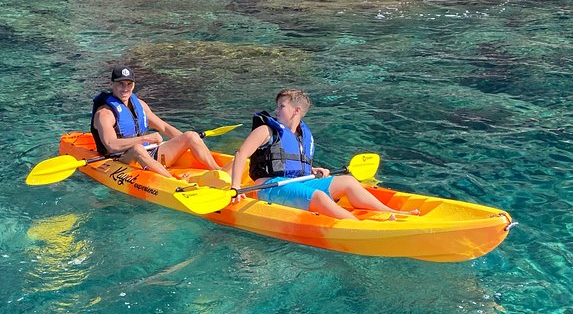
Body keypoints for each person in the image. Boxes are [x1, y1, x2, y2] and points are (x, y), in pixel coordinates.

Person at [229, 88, 418, 220]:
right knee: (319, 196)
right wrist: (235, 187)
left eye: (281, 106)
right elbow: (241, 154)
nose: (276, 110)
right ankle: (356, 224)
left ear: (296, 110)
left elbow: (289, 163)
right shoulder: (265, 130)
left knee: (349, 182)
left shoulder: (302, 135)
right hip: (268, 187)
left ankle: (393, 213)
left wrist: (312, 170)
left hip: (297, 181)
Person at [91, 65, 223, 179]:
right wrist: (145, 139)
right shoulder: (104, 114)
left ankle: (220, 171)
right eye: (120, 84)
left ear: (134, 85)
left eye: (128, 84)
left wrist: (189, 142)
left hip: (150, 152)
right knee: (137, 149)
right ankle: (173, 181)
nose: (125, 88)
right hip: (122, 159)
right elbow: (111, 145)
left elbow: (164, 127)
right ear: (112, 84)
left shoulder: (140, 105)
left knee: (191, 135)